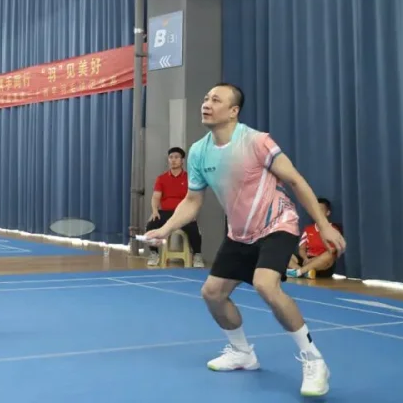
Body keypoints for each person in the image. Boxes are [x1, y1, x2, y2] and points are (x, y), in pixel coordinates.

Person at [145, 83, 346, 398]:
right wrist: (166, 228)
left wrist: (323, 226)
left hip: (277, 223)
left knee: (266, 285)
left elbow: (295, 180)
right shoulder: (198, 151)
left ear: (233, 111)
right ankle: (242, 353)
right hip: (240, 233)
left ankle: (313, 359)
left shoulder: (256, 141)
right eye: (206, 98)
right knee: (212, 294)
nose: (207, 103)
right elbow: (193, 201)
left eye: (216, 100)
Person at [146, 146, 204, 267]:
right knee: (151, 224)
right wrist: (155, 211)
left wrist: (192, 213)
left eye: (176, 157)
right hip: (165, 212)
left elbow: (194, 198)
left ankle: (197, 255)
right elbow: (156, 197)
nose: (173, 160)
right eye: (171, 157)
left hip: (183, 213)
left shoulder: (189, 178)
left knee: (194, 229)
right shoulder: (161, 178)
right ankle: (154, 254)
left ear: (182, 160)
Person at [287, 198, 342, 279]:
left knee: (330, 255)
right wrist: (305, 258)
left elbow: (332, 250)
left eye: (320, 210)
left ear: (328, 212)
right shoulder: (308, 229)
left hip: (322, 264)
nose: (317, 213)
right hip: (307, 261)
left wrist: (313, 261)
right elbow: (302, 249)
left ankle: (299, 272)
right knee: (286, 256)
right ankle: (304, 272)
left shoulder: (333, 229)